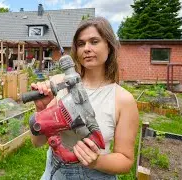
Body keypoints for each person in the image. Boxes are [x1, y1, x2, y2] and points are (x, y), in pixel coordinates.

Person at [30, 16, 139, 180]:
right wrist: (42, 111)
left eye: (94, 41)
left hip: (96, 175)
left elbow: (126, 160)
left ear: (109, 47)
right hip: (55, 172)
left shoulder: (123, 100)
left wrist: (96, 162)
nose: (86, 48)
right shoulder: (60, 84)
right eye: (81, 44)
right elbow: (37, 142)